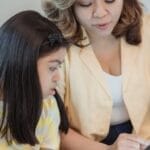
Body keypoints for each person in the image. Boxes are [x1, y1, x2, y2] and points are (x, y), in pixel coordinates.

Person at [42, 0, 150, 149]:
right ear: (68, 6)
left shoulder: (147, 27)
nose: (100, 13)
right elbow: (51, 127)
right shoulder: (55, 49)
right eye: (86, 3)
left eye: (110, 0)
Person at [0, 10, 69, 149]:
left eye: (59, 67)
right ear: (23, 65)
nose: (58, 77)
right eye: (52, 68)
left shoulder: (48, 106)